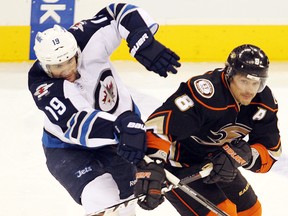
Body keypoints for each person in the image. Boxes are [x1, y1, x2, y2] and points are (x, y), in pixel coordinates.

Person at [28, 3, 180, 216]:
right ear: (44, 65)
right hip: (68, 148)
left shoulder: (84, 38)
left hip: (122, 135)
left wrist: (141, 38)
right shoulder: (42, 85)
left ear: (76, 52)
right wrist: (123, 127)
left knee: (127, 204)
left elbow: (119, 12)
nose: (66, 71)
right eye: (56, 67)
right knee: (102, 199)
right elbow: (78, 123)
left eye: (69, 62)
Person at [135, 44, 282, 215]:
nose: (250, 90)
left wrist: (247, 155)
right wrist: (152, 165)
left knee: (251, 211)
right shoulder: (207, 94)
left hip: (219, 163)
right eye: (244, 81)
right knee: (221, 212)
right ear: (230, 74)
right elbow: (158, 127)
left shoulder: (263, 103)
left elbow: (271, 152)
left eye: (256, 83)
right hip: (180, 166)